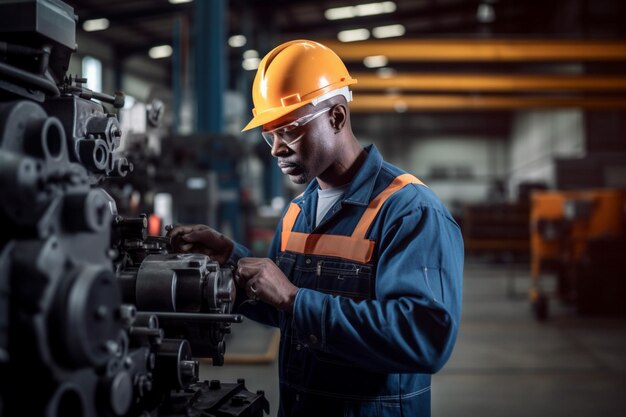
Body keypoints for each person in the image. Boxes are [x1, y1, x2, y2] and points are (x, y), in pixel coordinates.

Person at [167, 39, 464, 417]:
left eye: (289, 130)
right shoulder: (299, 210)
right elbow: (281, 307)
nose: (275, 149)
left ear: (337, 117)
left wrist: (294, 298)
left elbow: (425, 339)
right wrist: (230, 257)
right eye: (268, 135)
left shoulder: (409, 211)